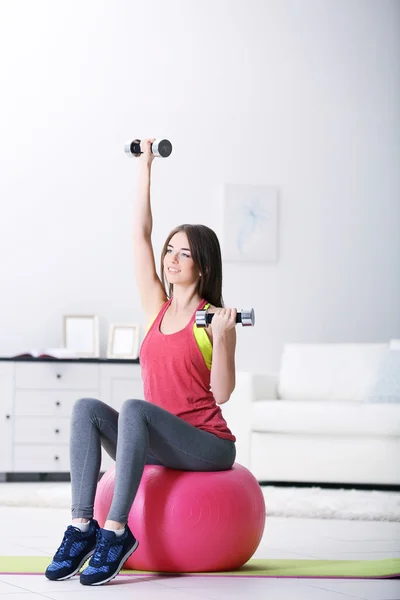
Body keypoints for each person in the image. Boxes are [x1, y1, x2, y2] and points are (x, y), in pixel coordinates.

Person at [45, 138, 237, 586]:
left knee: (133, 408)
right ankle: (81, 527)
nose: (171, 259)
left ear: (203, 265)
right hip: (156, 440)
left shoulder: (211, 319)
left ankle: (116, 532)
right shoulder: (157, 307)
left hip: (207, 445)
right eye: (170, 250)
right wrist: (145, 166)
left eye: (184, 253)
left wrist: (225, 341)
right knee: (86, 409)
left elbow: (224, 394)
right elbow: (139, 235)